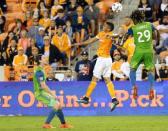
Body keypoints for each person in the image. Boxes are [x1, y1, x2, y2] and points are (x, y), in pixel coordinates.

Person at [76, 21, 119, 111]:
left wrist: (111, 36)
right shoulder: (101, 34)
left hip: (103, 59)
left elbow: (117, 35)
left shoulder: (110, 34)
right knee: (107, 79)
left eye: (104, 26)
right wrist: (81, 43)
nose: (103, 26)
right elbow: (91, 40)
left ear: (108, 28)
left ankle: (86, 98)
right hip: (107, 60)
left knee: (94, 78)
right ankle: (114, 99)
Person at [33, 56, 72, 129]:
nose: (46, 59)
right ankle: (46, 124)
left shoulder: (41, 70)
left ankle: (63, 124)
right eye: (43, 58)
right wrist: (52, 93)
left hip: (42, 92)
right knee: (56, 105)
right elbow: (43, 85)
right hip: (40, 93)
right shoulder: (39, 72)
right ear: (40, 61)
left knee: (58, 105)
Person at [128, 10, 159, 100]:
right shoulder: (150, 24)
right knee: (150, 70)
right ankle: (152, 88)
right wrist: (155, 40)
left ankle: (134, 87)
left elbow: (125, 36)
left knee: (132, 69)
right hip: (149, 51)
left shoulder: (133, 28)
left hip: (138, 52)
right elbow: (155, 35)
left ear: (134, 19)